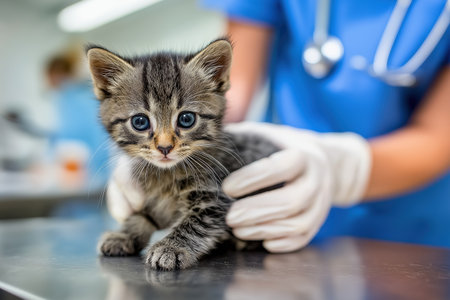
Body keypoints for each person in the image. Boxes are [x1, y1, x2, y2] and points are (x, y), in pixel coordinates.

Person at [107, 0, 450, 252]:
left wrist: (341, 167)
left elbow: (439, 135)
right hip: (274, 200)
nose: (165, 141)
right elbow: (230, 90)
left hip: (416, 234)